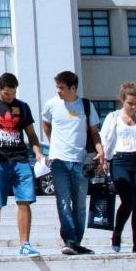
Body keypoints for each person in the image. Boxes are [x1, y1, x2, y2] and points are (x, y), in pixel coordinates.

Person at [0, 72, 46, 257]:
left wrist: (37, 151)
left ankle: (25, 244)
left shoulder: (22, 107)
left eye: (13, 94)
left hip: (20, 159)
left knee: (24, 201)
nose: (10, 97)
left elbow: (31, 134)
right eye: (7, 94)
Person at [41, 70, 104, 255]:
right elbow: (46, 124)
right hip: (59, 160)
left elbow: (94, 132)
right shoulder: (51, 104)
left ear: (73, 88)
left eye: (61, 87)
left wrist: (100, 151)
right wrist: (53, 143)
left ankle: (75, 242)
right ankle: (69, 240)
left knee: (80, 204)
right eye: (57, 87)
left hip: (80, 161)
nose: (58, 91)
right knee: (62, 201)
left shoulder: (85, 105)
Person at [99, 81, 136, 253]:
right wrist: (103, 160)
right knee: (128, 200)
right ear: (122, 101)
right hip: (119, 161)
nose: (133, 107)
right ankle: (117, 234)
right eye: (130, 103)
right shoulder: (113, 117)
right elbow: (104, 138)